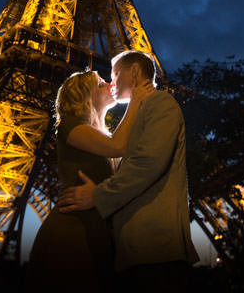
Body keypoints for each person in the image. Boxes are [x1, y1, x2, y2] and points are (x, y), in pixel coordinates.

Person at [58, 50, 200, 293]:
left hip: (155, 247)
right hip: (133, 250)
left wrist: (98, 195)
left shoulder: (160, 103)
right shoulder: (136, 114)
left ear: (134, 72)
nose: (112, 82)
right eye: (107, 79)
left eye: (114, 75)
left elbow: (148, 164)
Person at [25, 69, 153, 292]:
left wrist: (99, 194)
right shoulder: (69, 125)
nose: (109, 84)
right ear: (84, 94)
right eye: (101, 82)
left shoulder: (102, 133)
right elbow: (117, 146)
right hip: (71, 236)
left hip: (97, 235)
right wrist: (136, 101)